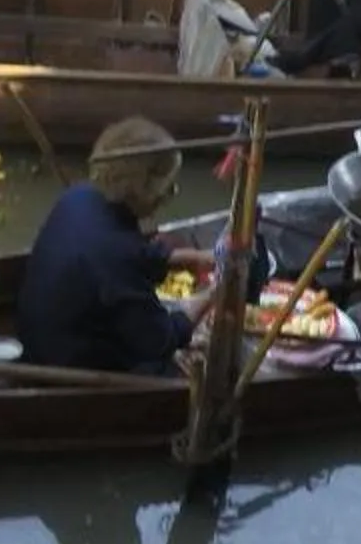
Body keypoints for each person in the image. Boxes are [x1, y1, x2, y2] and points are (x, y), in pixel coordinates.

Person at [16, 117, 218, 376]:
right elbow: (160, 339)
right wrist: (214, 294)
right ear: (142, 190)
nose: (168, 198)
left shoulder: (79, 196)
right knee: (179, 366)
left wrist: (196, 257)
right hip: (67, 368)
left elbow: (134, 252)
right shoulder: (115, 253)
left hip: (39, 338)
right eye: (168, 189)